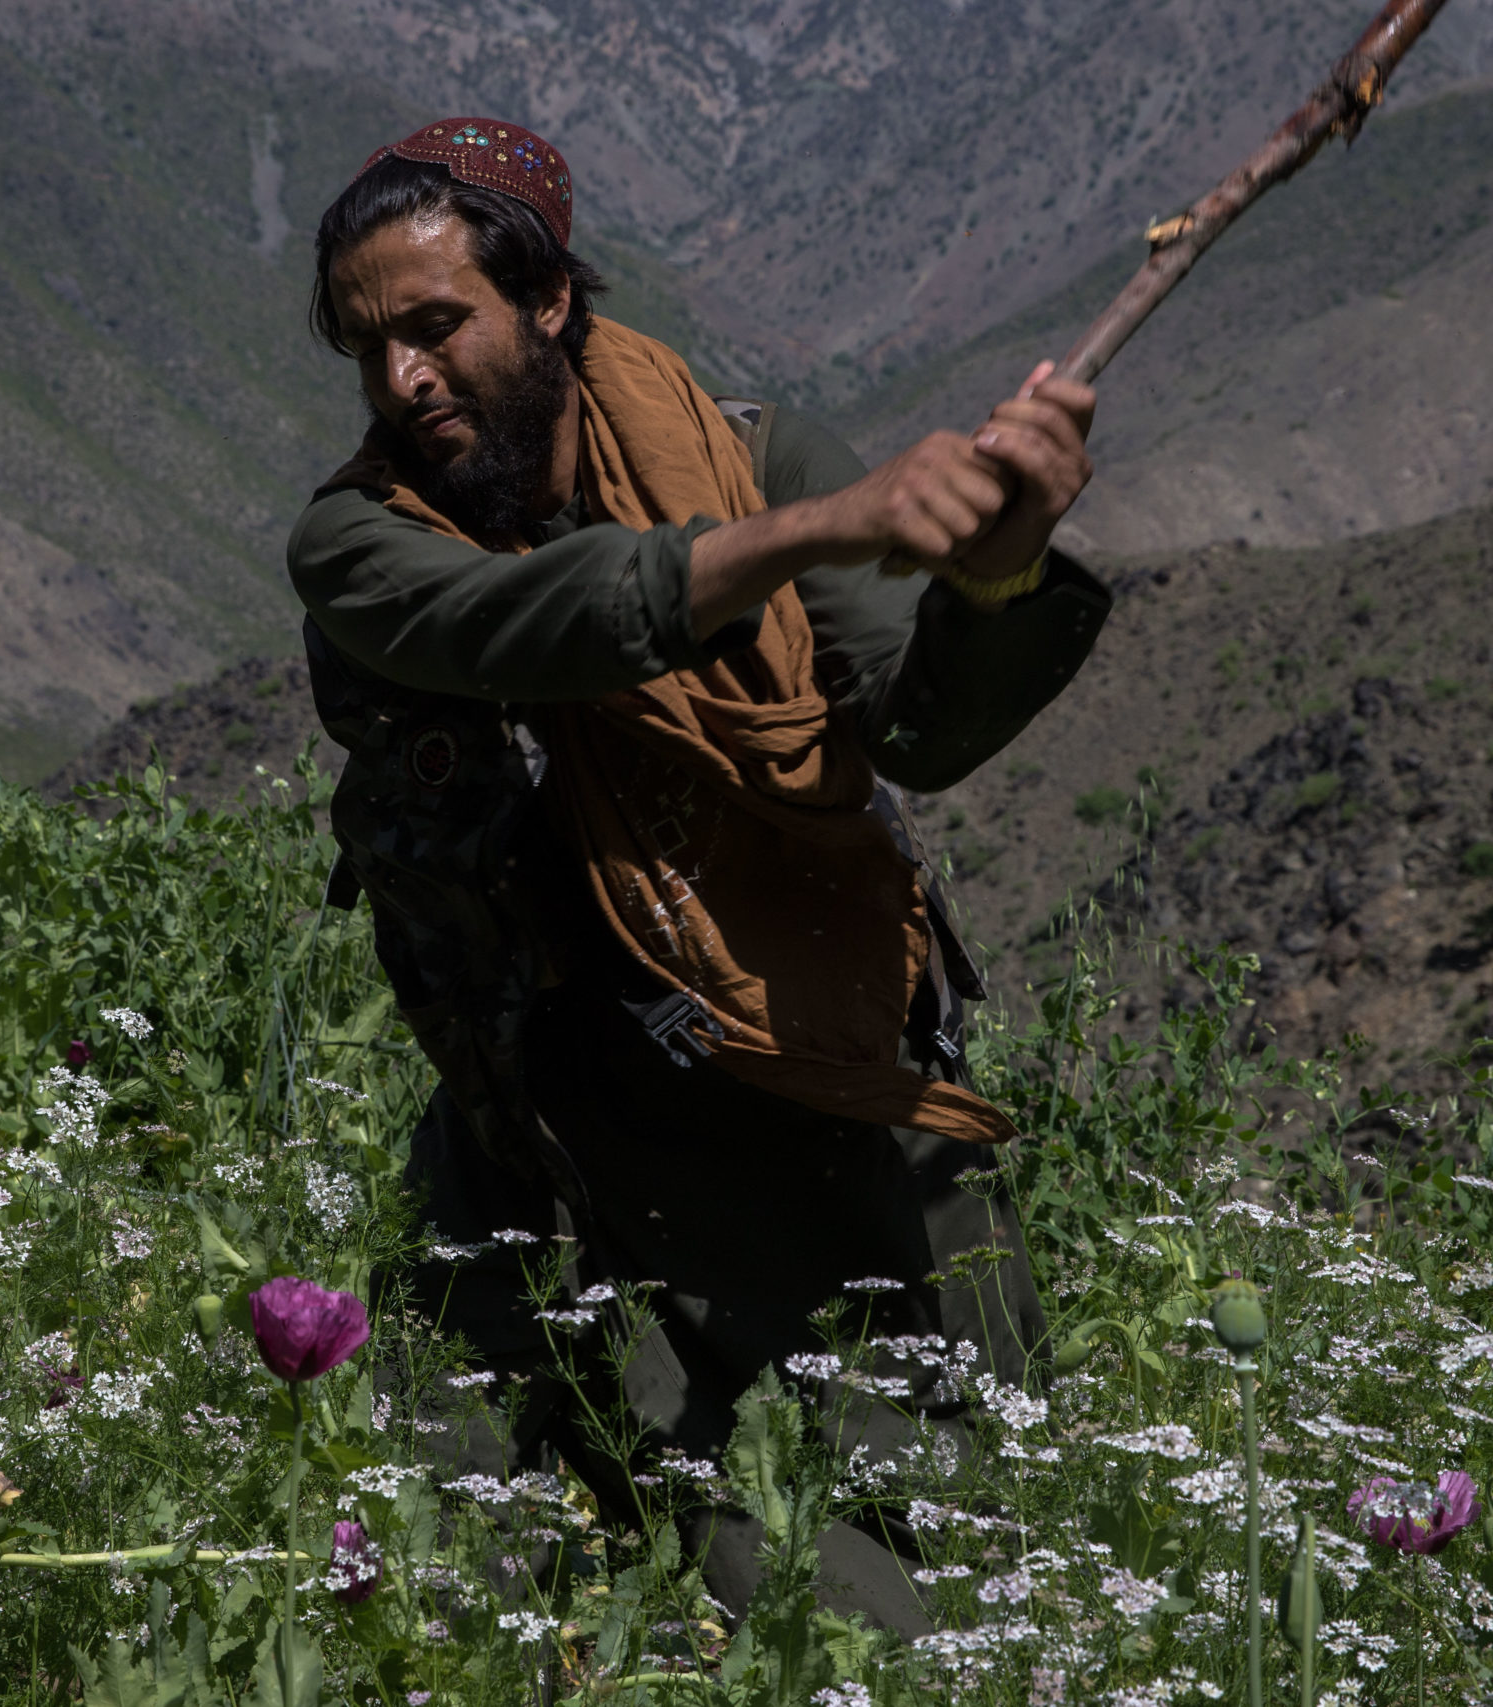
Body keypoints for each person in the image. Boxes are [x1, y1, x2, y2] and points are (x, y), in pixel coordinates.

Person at [288, 117, 1110, 1635]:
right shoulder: (361, 541)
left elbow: (913, 732)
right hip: (543, 1138)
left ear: (547, 300)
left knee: (922, 1594)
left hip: (817, 1107)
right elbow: (540, 621)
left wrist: (997, 573)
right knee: (453, 1604)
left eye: (433, 327)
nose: (399, 381)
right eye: (367, 346)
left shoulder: (749, 452)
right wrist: (816, 529)